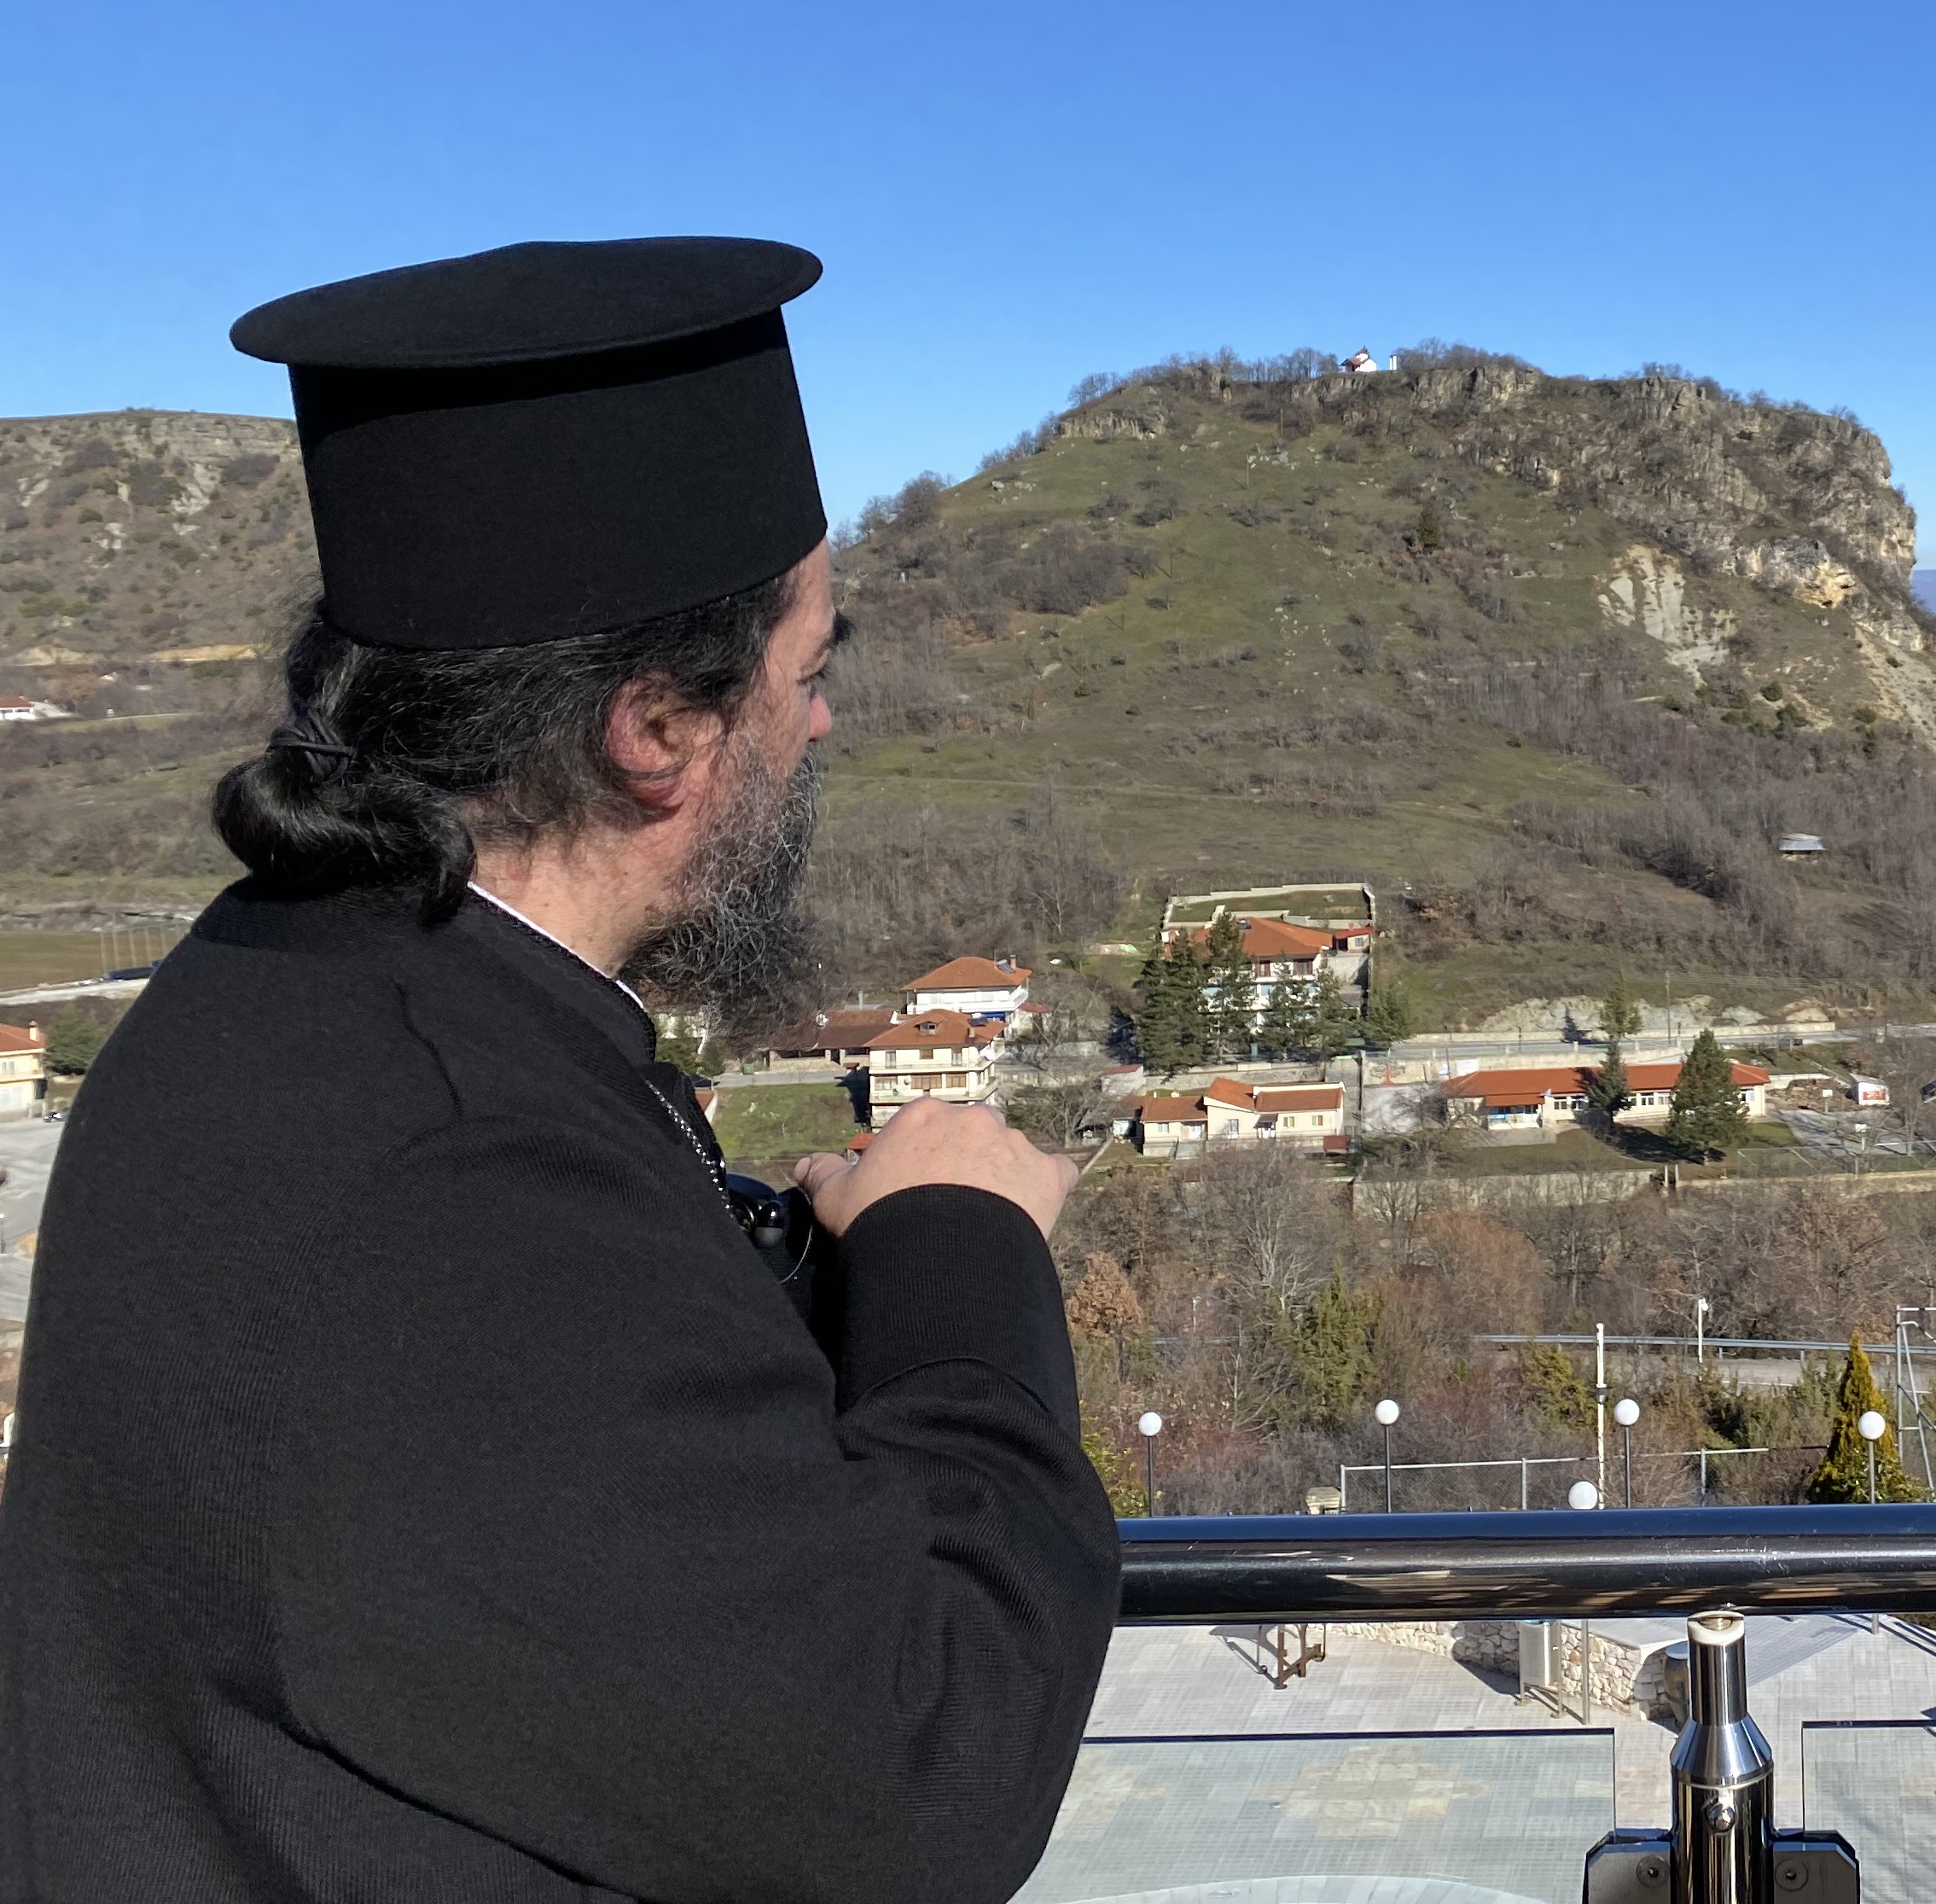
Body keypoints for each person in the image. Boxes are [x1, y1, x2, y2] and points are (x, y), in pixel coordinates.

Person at [0, 240, 1119, 1901]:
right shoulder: (455, 1173)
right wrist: (958, 1244)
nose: (821, 727)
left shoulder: (295, 985)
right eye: (807, 672)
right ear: (656, 732)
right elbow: (920, 1770)